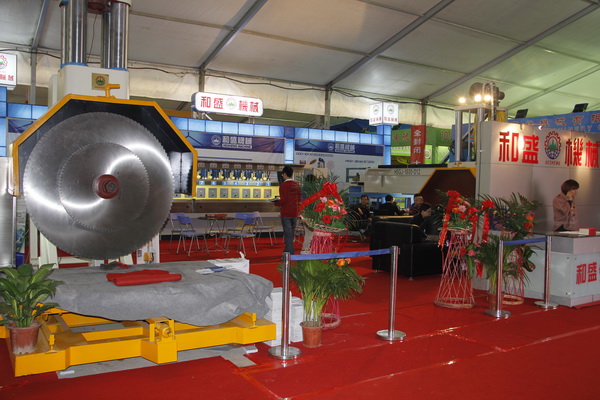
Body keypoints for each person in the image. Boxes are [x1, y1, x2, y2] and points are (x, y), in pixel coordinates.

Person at [274, 166, 302, 254]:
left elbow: (283, 200)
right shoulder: (297, 185)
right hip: (295, 212)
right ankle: (287, 249)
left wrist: (276, 202)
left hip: (286, 212)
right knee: (291, 233)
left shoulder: (283, 186)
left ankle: (290, 251)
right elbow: (299, 199)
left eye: (282, 174)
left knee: (288, 233)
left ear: (285, 174)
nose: (282, 176)